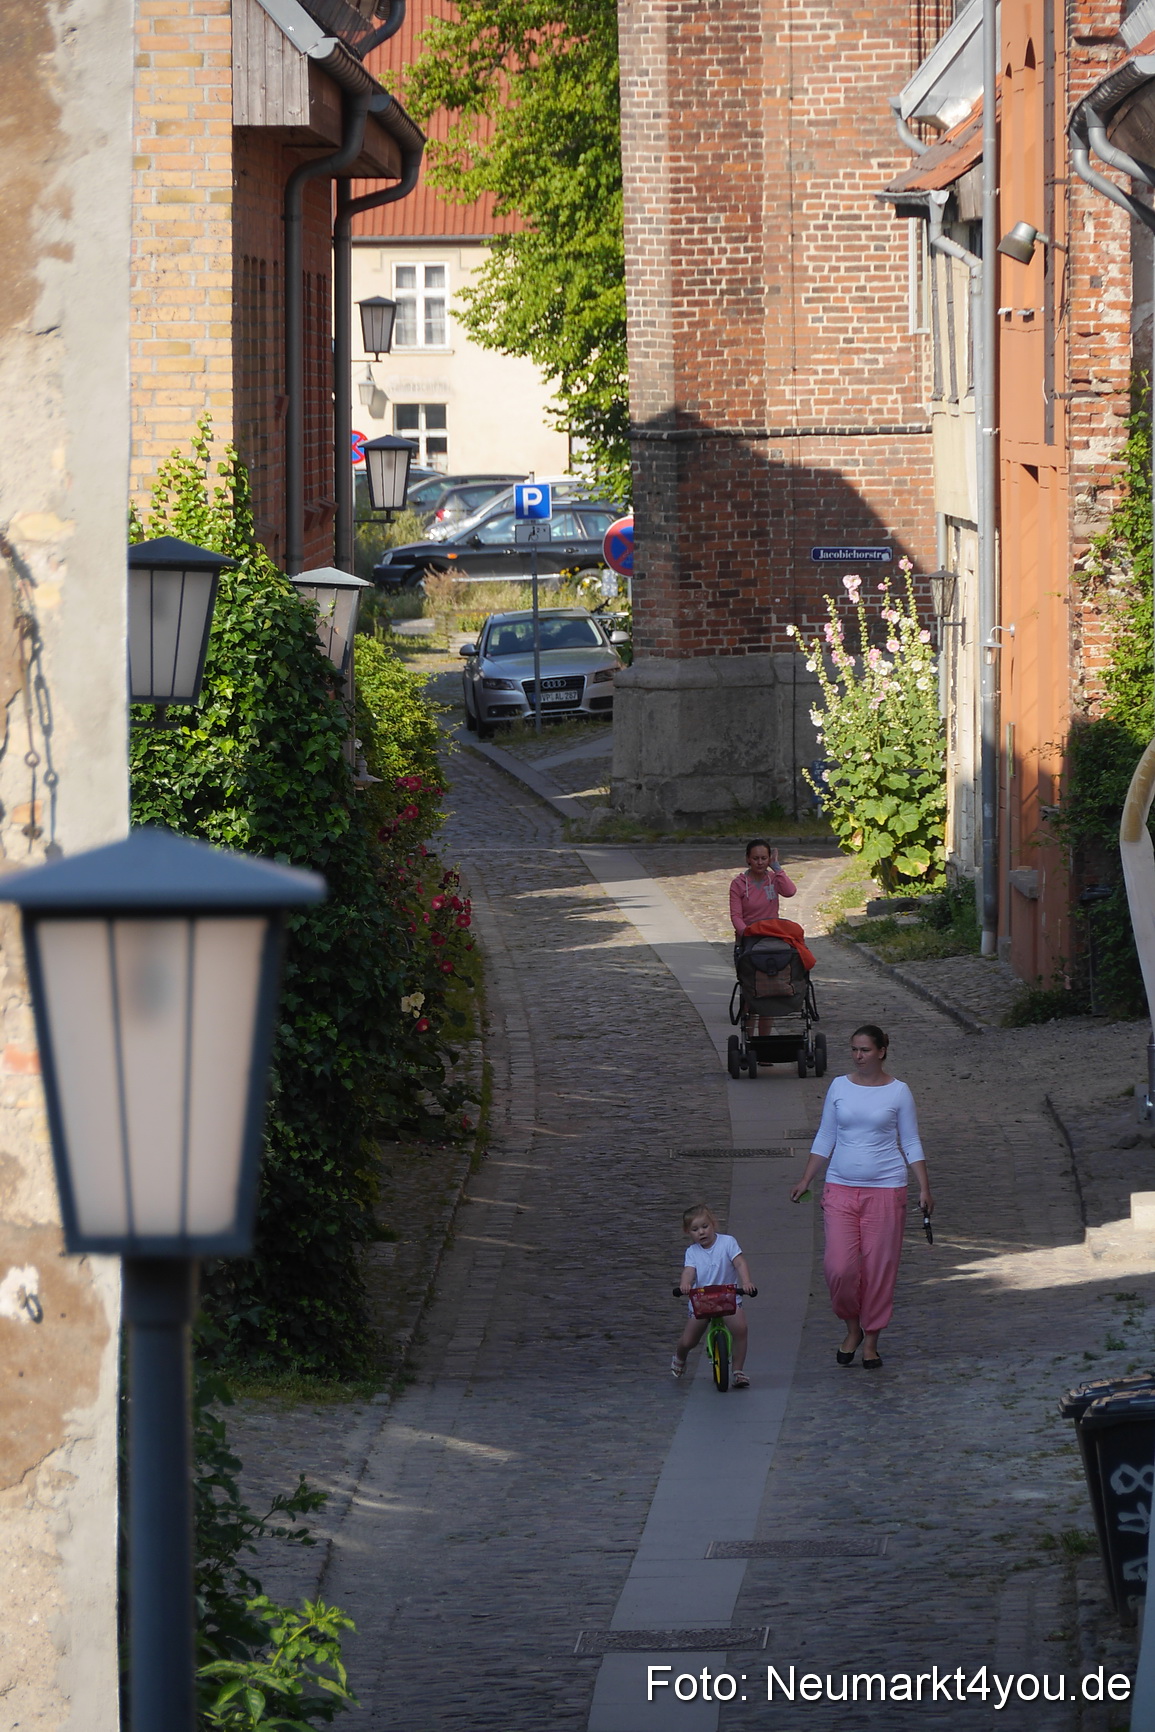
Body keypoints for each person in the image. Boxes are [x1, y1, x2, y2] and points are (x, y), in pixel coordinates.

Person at [789, 1024, 933, 1371]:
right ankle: (852, 1327)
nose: (858, 1056)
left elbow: (910, 1141)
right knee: (839, 1268)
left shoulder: (899, 1092)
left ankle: (871, 1340)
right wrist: (807, 1178)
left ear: (882, 1051)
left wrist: (924, 1187)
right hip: (839, 1187)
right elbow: (826, 1134)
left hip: (886, 1190)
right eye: (854, 1049)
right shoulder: (839, 1086)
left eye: (865, 1050)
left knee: (878, 1269)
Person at [671, 1205, 753, 1387]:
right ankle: (680, 1355)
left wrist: (746, 1282)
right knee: (689, 1340)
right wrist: (685, 1284)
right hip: (702, 1300)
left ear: (713, 1224)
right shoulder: (692, 1252)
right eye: (695, 1229)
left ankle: (738, 1370)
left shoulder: (727, 1243)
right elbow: (689, 1271)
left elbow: (739, 1263)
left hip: (727, 1297)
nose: (701, 1232)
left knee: (741, 1330)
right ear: (688, 1232)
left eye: (705, 1226)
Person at [730, 839, 798, 1035]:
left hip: (771, 938)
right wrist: (747, 933)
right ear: (747, 860)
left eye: (764, 858)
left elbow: (790, 891)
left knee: (768, 992)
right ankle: (749, 1039)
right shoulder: (739, 884)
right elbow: (736, 915)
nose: (760, 862)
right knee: (751, 993)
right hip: (749, 940)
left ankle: (765, 1040)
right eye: (755, 858)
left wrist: (777, 868)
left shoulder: (773, 879)